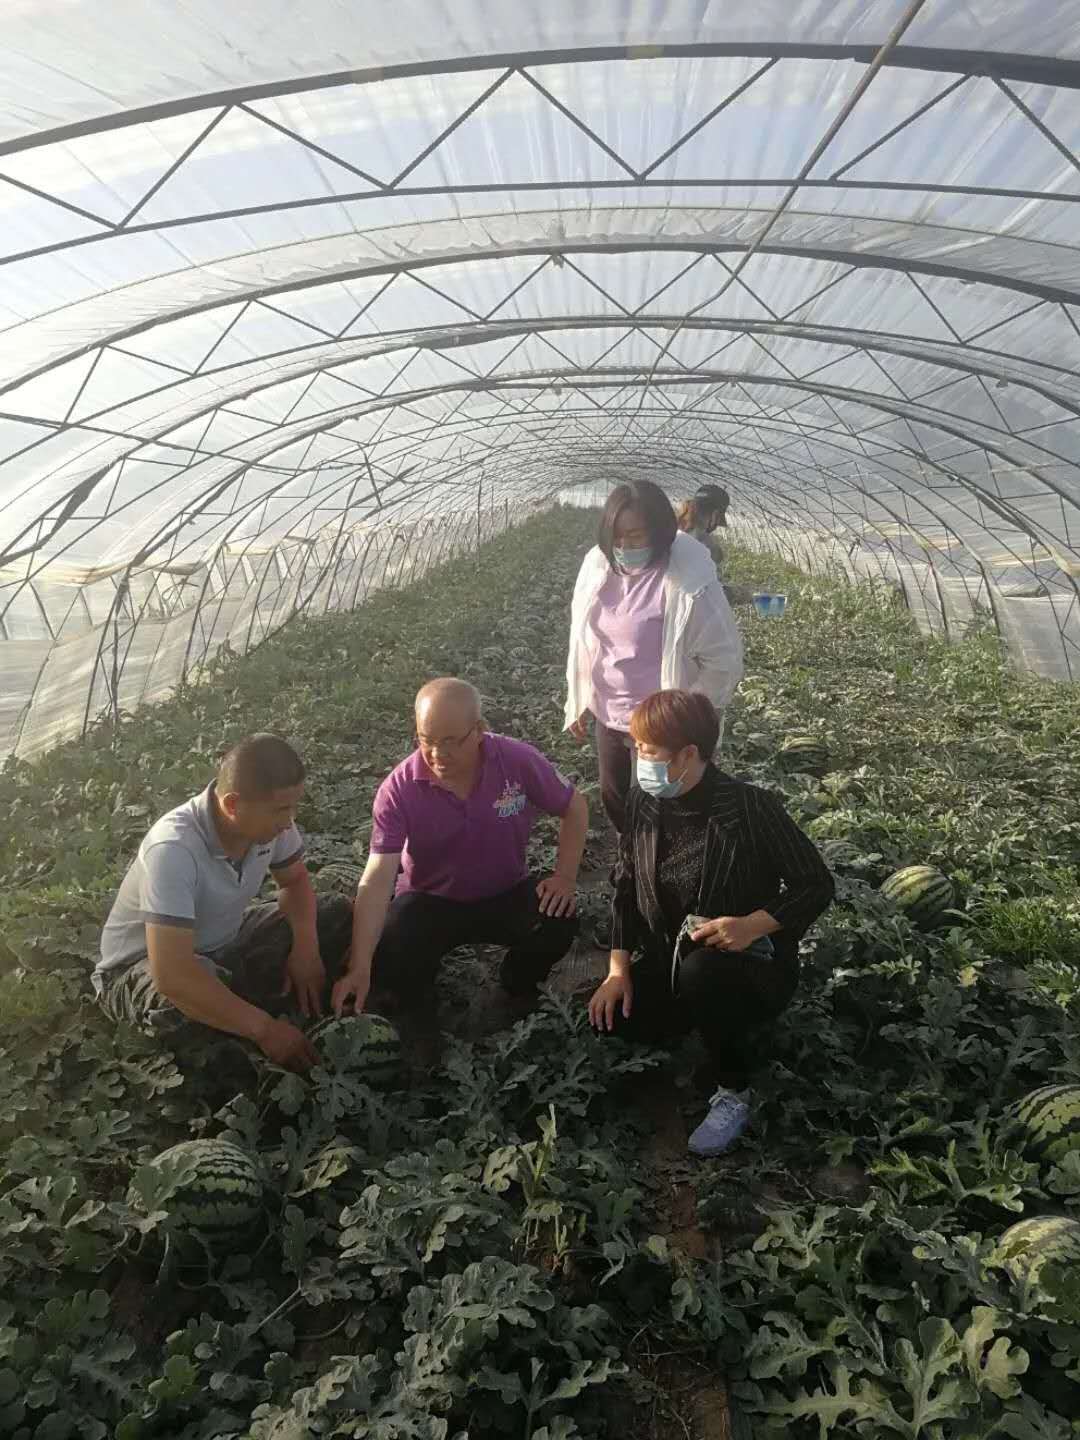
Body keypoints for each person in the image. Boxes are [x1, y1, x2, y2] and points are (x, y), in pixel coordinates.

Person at [587, 690, 834, 1156]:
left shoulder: (751, 807)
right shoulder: (643, 802)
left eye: (648, 750)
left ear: (687, 754)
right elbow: (624, 886)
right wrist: (618, 971)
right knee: (610, 1020)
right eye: (636, 746)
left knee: (704, 973)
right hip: (673, 959)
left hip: (748, 967)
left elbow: (816, 884)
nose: (638, 758)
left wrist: (751, 925)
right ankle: (703, 1018)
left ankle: (734, 1088)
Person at [332, 678, 587, 1021]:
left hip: (505, 891)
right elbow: (378, 876)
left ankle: (516, 984)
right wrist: (359, 964)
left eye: (451, 741)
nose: (438, 754)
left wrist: (565, 877)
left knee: (559, 918)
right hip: (430, 902)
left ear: (479, 730)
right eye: (427, 740)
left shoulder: (515, 760)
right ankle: (420, 1004)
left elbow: (574, 806)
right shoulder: (399, 789)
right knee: (393, 944)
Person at [94, 734, 353, 1072]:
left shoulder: (272, 826)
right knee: (179, 1004)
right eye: (280, 810)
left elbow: (295, 882)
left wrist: (307, 949)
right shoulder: (173, 850)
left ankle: (238, 1007)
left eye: (293, 807)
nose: (289, 821)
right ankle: (245, 1027)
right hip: (143, 968)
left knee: (334, 912)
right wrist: (265, 1029)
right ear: (232, 805)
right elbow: (172, 975)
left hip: (223, 943)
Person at [564, 480, 743, 943]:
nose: (625, 546)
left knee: (668, 817)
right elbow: (583, 639)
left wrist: (681, 718)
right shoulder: (598, 567)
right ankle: (634, 894)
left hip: (662, 729)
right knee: (620, 809)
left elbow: (723, 661)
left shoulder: (688, 580)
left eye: (636, 536)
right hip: (610, 716)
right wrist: (579, 698)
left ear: (661, 531)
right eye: (616, 537)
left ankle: (671, 907)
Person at [677, 483, 754, 607]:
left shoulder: (676, 532)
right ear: (715, 515)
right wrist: (742, 594)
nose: (716, 526)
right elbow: (707, 594)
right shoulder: (705, 546)